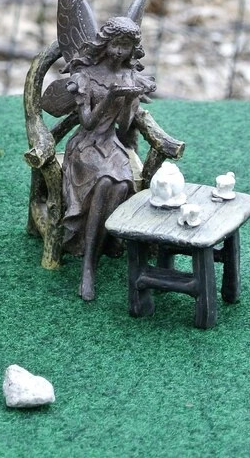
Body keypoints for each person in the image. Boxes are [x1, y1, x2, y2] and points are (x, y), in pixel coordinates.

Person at [61, 16, 156, 301]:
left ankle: (100, 248)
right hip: (85, 145)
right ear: (105, 44)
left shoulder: (129, 76)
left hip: (112, 145)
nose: (118, 52)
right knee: (104, 181)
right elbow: (88, 122)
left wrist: (128, 100)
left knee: (122, 184)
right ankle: (89, 264)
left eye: (125, 47)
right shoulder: (86, 75)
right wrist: (111, 96)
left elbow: (124, 128)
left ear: (132, 50)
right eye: (115, 44)